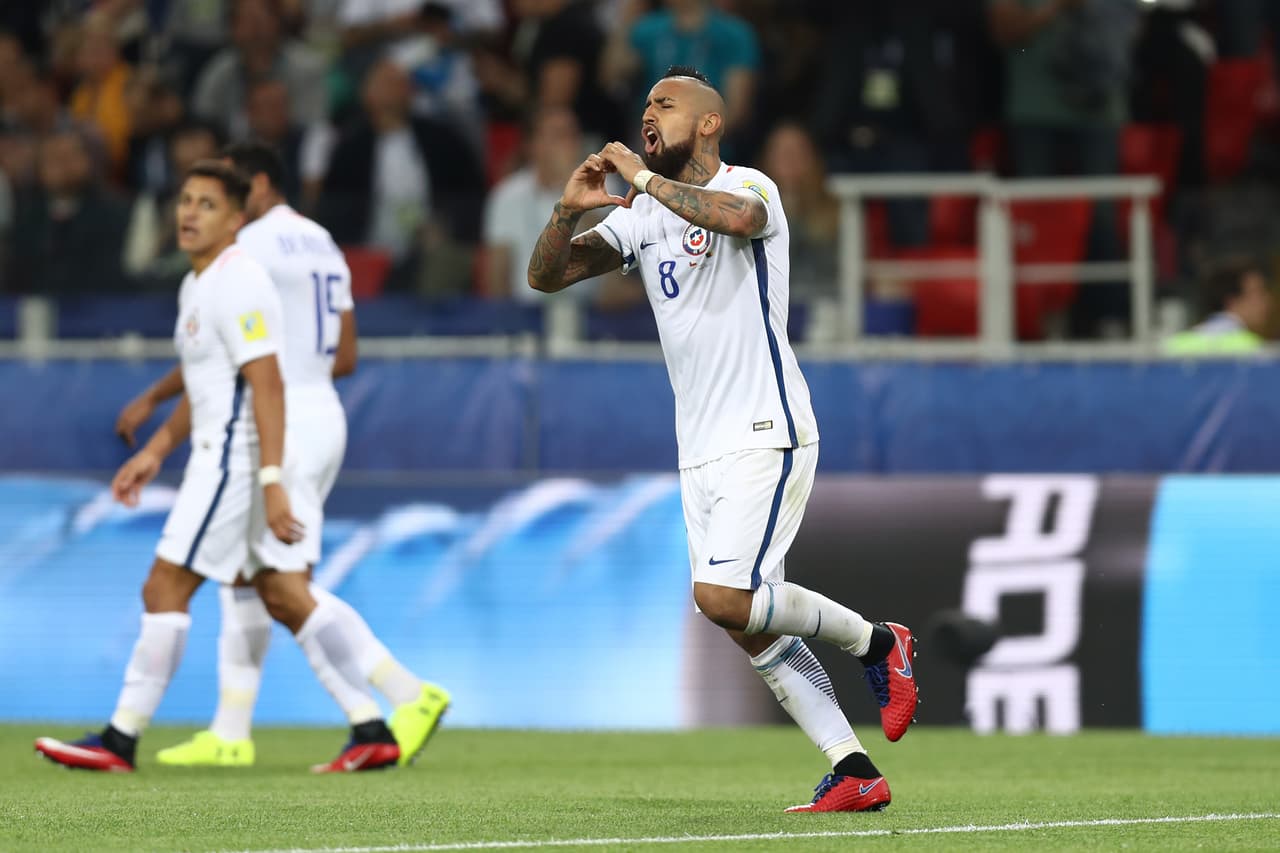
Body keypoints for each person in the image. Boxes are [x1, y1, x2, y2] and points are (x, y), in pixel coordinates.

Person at [526, 67, 919, 813]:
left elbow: (734, 221)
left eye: (665, 105)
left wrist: (640, 179)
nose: (649, 114)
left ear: (709, 123)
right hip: (698, 446)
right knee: (740, 620)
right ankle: (853, 766)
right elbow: (548, 275)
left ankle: (877, 642)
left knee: (722, 595)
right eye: (644, 105)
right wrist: (565, 210)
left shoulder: (753, 186)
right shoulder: (643, 216)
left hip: (765, 428)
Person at [32, 161, 419, 774]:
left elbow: (265, 384)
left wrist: (269, 481)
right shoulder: (201, 282)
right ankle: (371, 725)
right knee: (281, 591)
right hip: (226, 454)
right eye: (184, 201)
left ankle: (120, 738)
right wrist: (157, 449)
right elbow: (207, 380)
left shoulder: (239, 281)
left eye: (206, 205)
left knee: (165, 586)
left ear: (237, 219)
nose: (188, 214)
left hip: (234, 462)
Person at [1164, 259, 1273, 355]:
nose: (1267, 299)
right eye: (1258, 292)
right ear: (1231, 301)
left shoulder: (1174, 346)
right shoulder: (1255, 351)